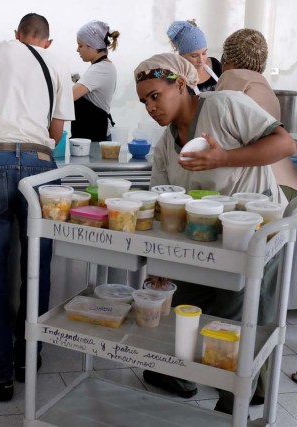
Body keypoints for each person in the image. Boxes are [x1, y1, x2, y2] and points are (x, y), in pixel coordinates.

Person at [134, 53, 294, 414]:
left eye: (155, 95)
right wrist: (159, 262)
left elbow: (285, 144)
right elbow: (162, 206)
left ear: (179, 84)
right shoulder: (164, 146)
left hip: (253, 232)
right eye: (144, 100)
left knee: (237, 318)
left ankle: (236, 401)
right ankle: (182, 376)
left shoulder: (225, 107)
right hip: (205, 239)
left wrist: (224, 158)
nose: (150, 107)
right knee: (186, 307)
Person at [0, 13, 75, 401]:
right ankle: (29, 360)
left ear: (16, 35)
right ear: (48, 41)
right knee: (36, 270)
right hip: (42, 169)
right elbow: (56, 133)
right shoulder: (57, 65)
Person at [216, 28, 297, 194]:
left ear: (230, 60)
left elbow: (216, 130)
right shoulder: (264, 86)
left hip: (260, 185)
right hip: (287, 183)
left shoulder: (231, 77)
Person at [71, 20, 119, 142]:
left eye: (80, 45)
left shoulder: (100, 69)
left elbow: (68, 96)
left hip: (96, 137)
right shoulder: (102, 66)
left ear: (93, 45)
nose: (78, 50)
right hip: (92, 134)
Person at [167, 20, 221, 92]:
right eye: (194, 56)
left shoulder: (215, 65)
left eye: (204, 53)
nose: (201, 60)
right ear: (181, 56)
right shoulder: (173, 75)